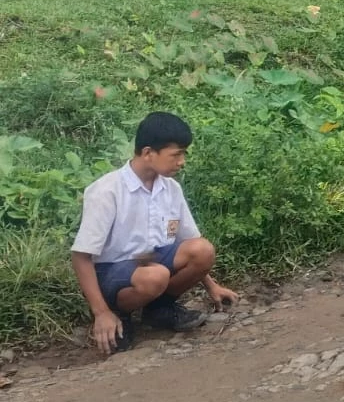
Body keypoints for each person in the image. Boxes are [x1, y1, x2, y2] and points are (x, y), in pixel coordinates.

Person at [70, 112, 238, 354]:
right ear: (148, 153)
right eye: (176, 154)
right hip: (112, 272)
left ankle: (159, 309)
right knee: (155, 275)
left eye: (184, 154)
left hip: (153, 263)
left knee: (202, 250)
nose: (182, 162)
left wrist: (212, 286)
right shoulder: (107, 191)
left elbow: (188, 241)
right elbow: (81, 256)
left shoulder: (170, 188)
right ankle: (118, 314)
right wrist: (101, 312)